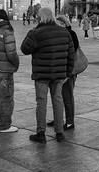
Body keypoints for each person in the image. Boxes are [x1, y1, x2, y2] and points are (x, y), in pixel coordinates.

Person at [20, 7, 72, 143]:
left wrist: (32, 33)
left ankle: (41, 133)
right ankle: (60, 133)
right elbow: (71, 54)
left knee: (41, 102)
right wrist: (68, 73)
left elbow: (24, 49)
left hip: (42, 75)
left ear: (40, 18)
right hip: (59, 75)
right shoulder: (64, 32)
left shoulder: (35, 33)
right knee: (58, 101)